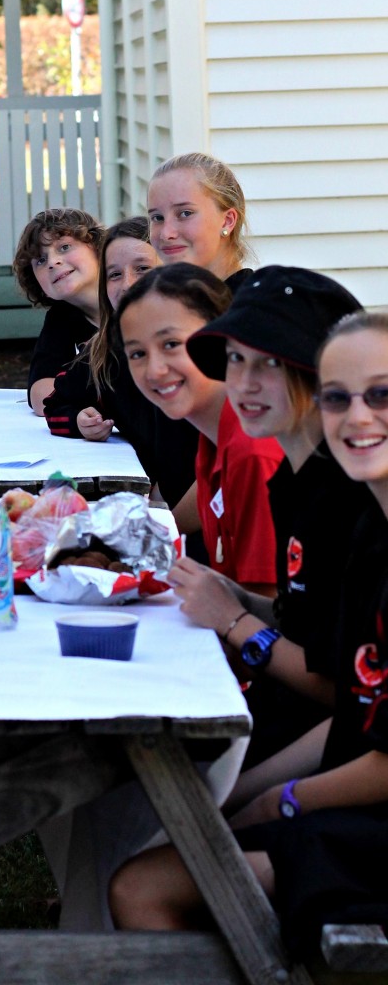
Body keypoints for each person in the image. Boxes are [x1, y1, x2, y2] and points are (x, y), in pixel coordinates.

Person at [109, 312, 388, 958]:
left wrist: (279, 802)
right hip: (353, 795)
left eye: (380, 394)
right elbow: (356, 709)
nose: (355, 417)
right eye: (337, 397)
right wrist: (254, 796)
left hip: (370, 834)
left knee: (142, 886)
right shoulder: (370, 532)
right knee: (176, 839)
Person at [170, 266, 369, 762]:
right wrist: (229, 596)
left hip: (325, 751)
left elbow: (346, 692)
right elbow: (304, 624)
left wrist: (235, 619)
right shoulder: (294, 479)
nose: (244, 383)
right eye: (236, 359)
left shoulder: (354, 500)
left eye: (271, 364)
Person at [117, 263, 283, 592]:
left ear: (221, 336)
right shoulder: (216, 434)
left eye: (171, 344)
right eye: (137, 353)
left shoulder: (252, 451)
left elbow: (267, 611)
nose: (155, 370)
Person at [42, 218, 198, 516]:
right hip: (144, 504)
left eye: (142, 269)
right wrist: (79, 421)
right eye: (114, 274)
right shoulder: (105, 350)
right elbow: (55, 405)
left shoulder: (202, 346)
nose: (128, 284)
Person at [12, 208, 104, 415]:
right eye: (40, 261)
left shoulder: (136, 302)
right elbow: (40, 395)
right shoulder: (61, 318)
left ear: (97, 247)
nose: (53, 262)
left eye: (64, 247)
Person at [147, 152, 253, 294]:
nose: (166, 234)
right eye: (158, 218)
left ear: (227, 221)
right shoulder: (168, 305)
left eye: (185, 213)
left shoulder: (258, 309)